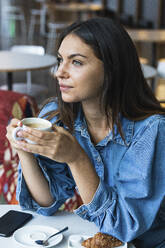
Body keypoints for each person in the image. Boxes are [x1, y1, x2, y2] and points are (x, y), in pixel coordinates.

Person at [6, 17, 165, 248]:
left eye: (76, 62)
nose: (60, 72)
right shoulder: (58, 116)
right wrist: (25, 150)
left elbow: (123, 226)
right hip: (94, 237)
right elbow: (47, 203)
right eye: (61, 60)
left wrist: (76, 158)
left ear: (112, 68)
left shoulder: (151, 131)